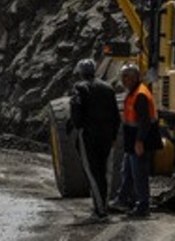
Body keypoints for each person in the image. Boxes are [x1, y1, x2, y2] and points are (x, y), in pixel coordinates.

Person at [67, 58, 120, 221]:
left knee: (92, 171)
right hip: (107, 135)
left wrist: (77, 127)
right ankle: (102, 205)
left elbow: (76, 111)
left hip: (89, 134)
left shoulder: (80, 88)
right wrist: (113, 136)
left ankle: (100, 212)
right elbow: (116, 115)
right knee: (104, 171)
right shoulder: (108, 88)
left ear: (81, 72)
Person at [115, 63, 160, 218]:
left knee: (139, 174)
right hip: (133, 140)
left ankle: (143, 206)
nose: (123, 80)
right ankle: (123, 200)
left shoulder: (140, 94)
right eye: (122, 76)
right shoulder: (133, 92)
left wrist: (139, 142)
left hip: (141, 140)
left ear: (134, 77)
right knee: (127, 171)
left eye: (126, 76)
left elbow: (145, 122)